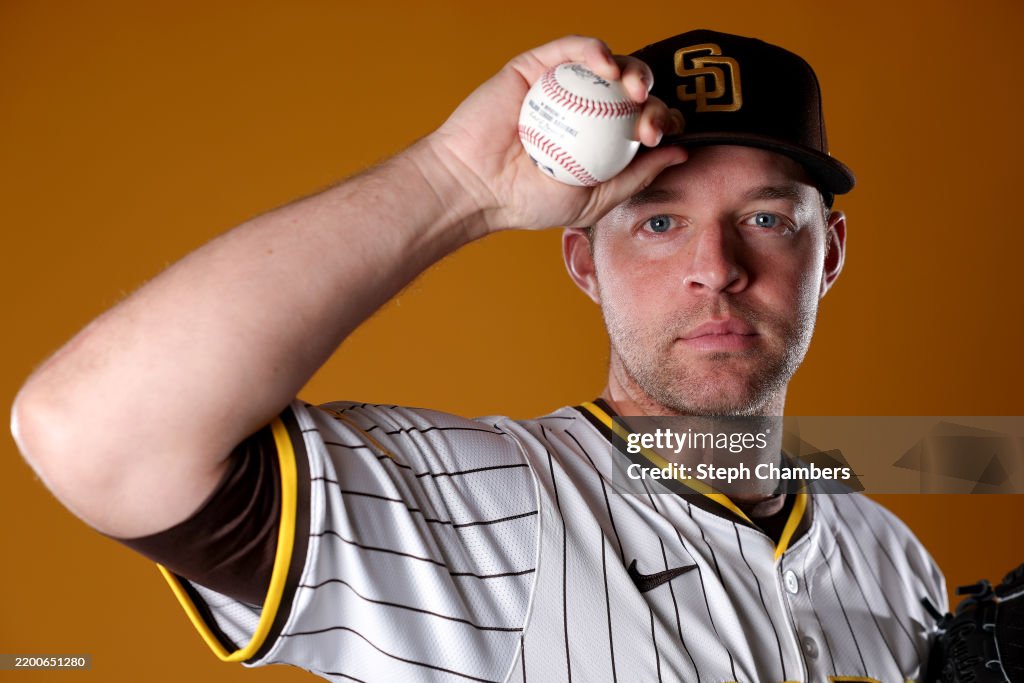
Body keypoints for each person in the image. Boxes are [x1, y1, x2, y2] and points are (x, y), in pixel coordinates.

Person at [11, 29, 946, 682]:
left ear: (828, 254)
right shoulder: (488, 517)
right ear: (584, 260)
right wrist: (455, 181)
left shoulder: (895, 560)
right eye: (659, 221)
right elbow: (92, 429)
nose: (716, 269)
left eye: (766, 218)